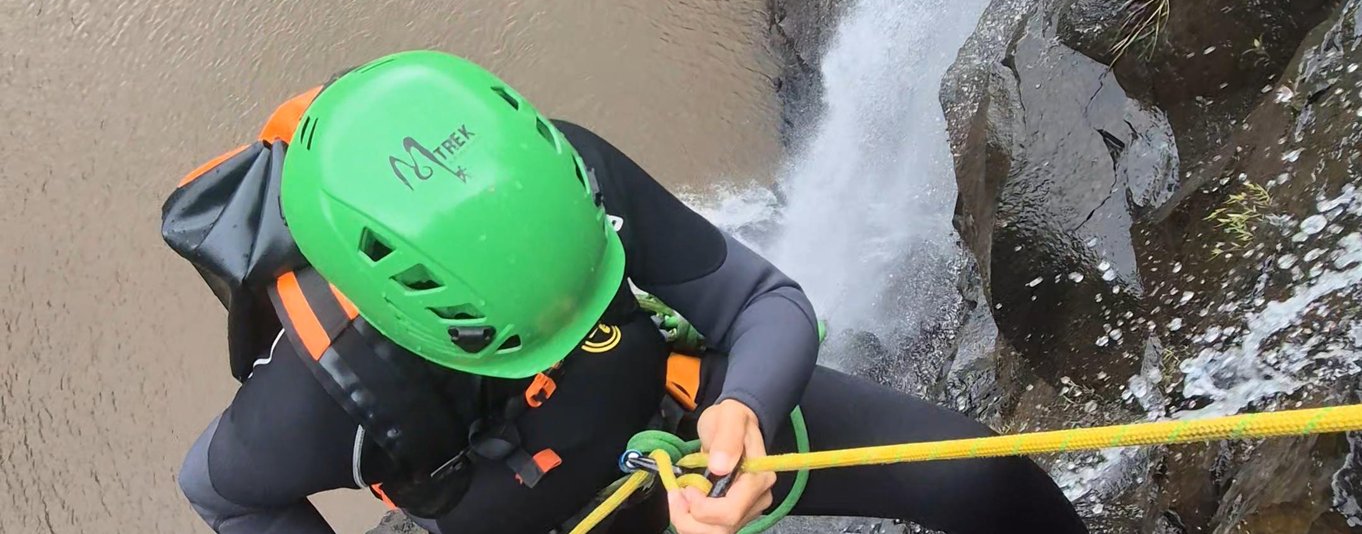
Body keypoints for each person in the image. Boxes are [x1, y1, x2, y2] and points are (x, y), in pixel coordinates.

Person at [170, 50, 1088, 534]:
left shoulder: (560, 174)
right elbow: (222, 492)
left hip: (690, 427)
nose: (570, 330)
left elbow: (759, 298)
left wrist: (747, 409)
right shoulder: (323, 391)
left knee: (981, 477)